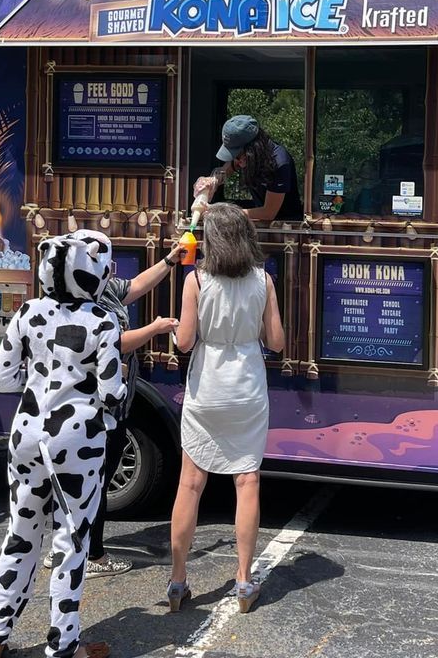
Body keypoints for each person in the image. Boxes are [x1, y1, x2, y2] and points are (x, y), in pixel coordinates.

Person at [0, 230, 124, 658]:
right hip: (77, 439)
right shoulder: (102, 321)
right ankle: (64, 644)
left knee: (21, 532)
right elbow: (112, 392)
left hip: (26, 432)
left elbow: (0, 378)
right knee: (71, 540)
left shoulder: (27, 312)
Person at [166, 203, 286, 614]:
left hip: (208, 385)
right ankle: (244, 580)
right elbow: (277, 341)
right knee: (247, 481)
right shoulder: (263, 281)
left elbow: (183, 342)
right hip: (248, 386)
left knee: (190, 483)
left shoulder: (196, 280)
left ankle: (178, 580)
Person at [54, 242, 183, 578]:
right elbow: (113, 342)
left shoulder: (103, 287)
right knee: (93, 481)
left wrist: (170, 259)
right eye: (102, 261)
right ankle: (91, 556)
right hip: (96, 406)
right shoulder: (83, 299)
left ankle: (70, 550)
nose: (111, 267)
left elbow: (137, 285)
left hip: (113, 403)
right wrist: (155, 329)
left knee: (88, 481)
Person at [193, 115, 303, 223]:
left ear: (253, 148)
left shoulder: (279, 163)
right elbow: (229, 167)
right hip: (261, 220)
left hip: (286, 225)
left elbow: (268, 213)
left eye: (237, 156)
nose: (236, 161)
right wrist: (213, 180)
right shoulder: (246, 156)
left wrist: (221, 212)